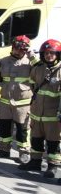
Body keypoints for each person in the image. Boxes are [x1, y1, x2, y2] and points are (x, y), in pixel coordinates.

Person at [0, 35, 35, 164]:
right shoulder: (3, 61)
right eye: (17, 48)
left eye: (23, 49)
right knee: (4, 126)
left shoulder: (31, 62)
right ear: (12, 47)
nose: (19, 51)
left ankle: (24, 152)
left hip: (23, 104)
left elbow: (42, 70)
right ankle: (4, 150)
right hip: (5, 102)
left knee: (22, 129)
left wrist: (32, 56)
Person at [29, 39, 61, 177]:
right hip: (37, 113)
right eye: (46, 53)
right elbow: (32, 85)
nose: (49, 55)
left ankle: (52, 166)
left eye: (52, 53)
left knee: (53, 142)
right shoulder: (37, 69)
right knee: (35, 138)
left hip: (52, 116)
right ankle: (35, 162)